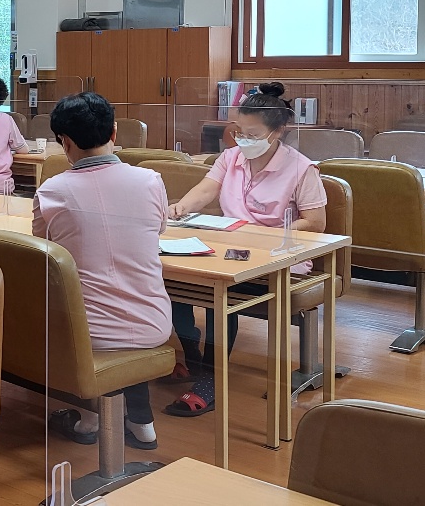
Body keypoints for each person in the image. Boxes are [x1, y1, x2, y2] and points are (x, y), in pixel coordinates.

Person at [163, 82, 326, 417]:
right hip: (230, 248)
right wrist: (179, 208)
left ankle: (210, 379)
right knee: (172, 279)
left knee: (220, 293)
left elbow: (315, 223)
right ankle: (192, 357)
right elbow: (206, 190)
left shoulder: (301, 168)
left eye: (253, 134)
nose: (244, 140)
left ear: (278, 132)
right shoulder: (231, 158)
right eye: (239, 132)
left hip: (278, 257)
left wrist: (265, 235)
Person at [34, 92, 171, 451]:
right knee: (118, 305)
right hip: (153, 322)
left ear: (64, 142)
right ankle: (139, 424)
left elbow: (43, 253)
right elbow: (158, 229)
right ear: (114, 132)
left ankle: (90, 419)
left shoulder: (52, 191)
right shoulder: (150, 180)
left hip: (88, 333)